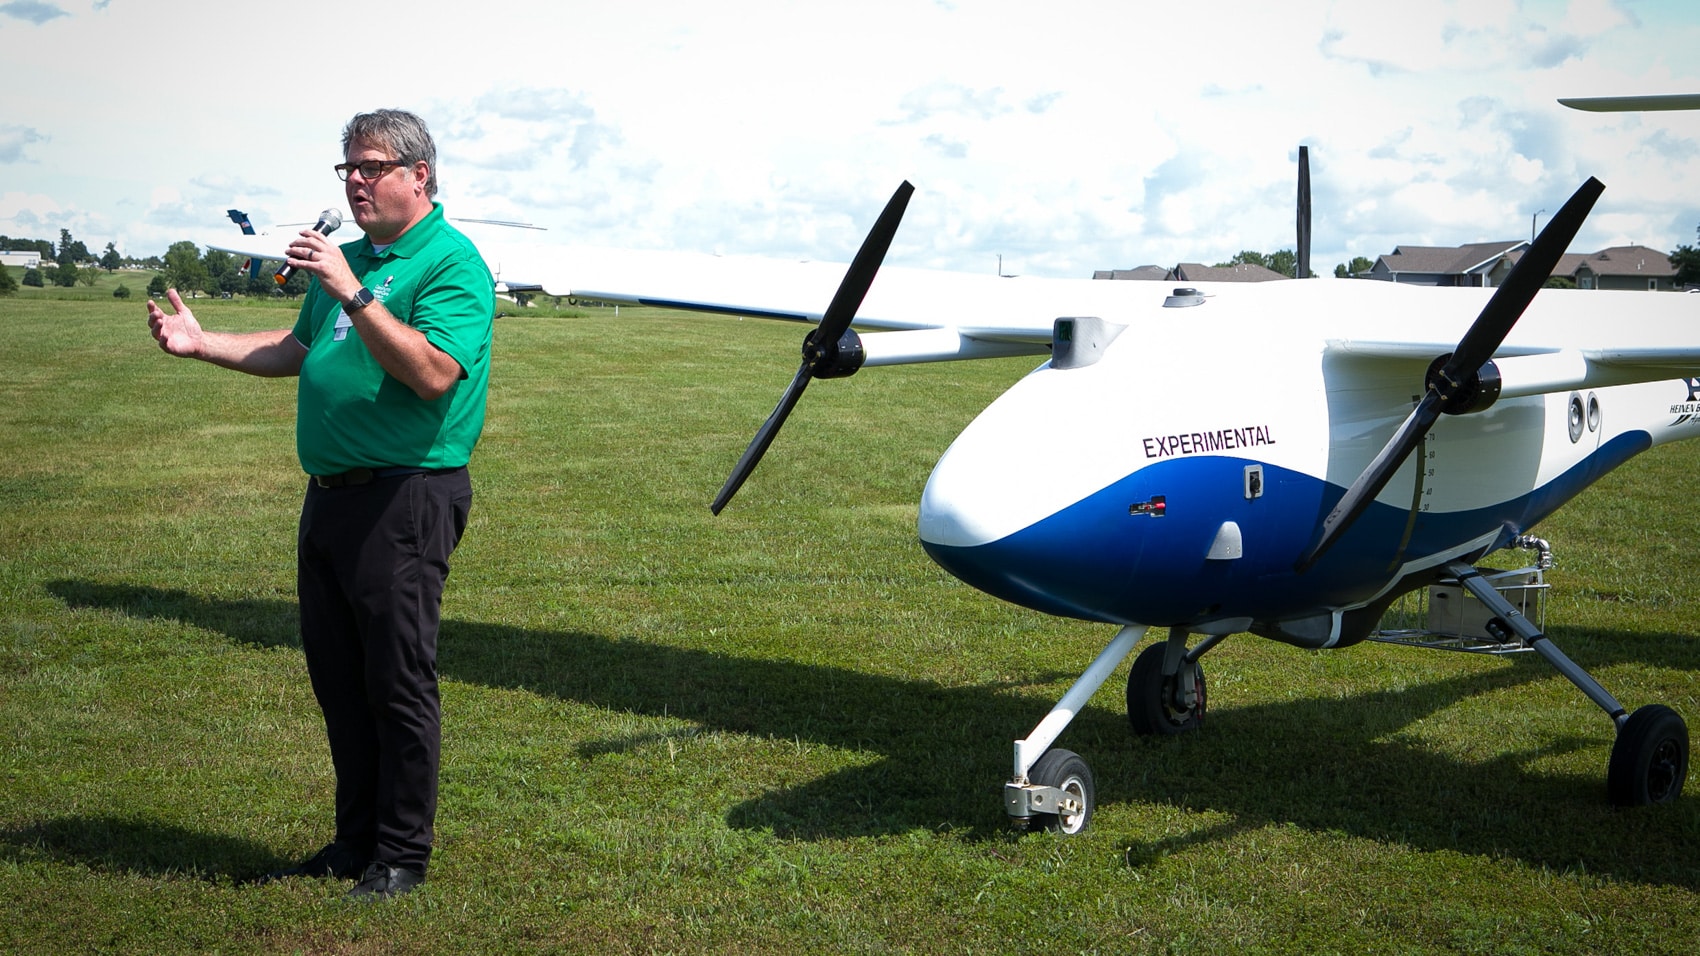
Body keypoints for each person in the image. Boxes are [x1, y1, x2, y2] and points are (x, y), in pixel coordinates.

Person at [146, 108, 494, 900]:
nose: (356, 183)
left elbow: (435, 373)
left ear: (419, 177)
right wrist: (207, 345)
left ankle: (402, 856)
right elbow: (302, 349)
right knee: (340, 678)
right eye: (348, 170)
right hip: (332, 498)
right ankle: (355, 840)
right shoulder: (357, 259)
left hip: (406, 495)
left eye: (371, 167)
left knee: (396, 681)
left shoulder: (450, 263)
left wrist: (355, 290)